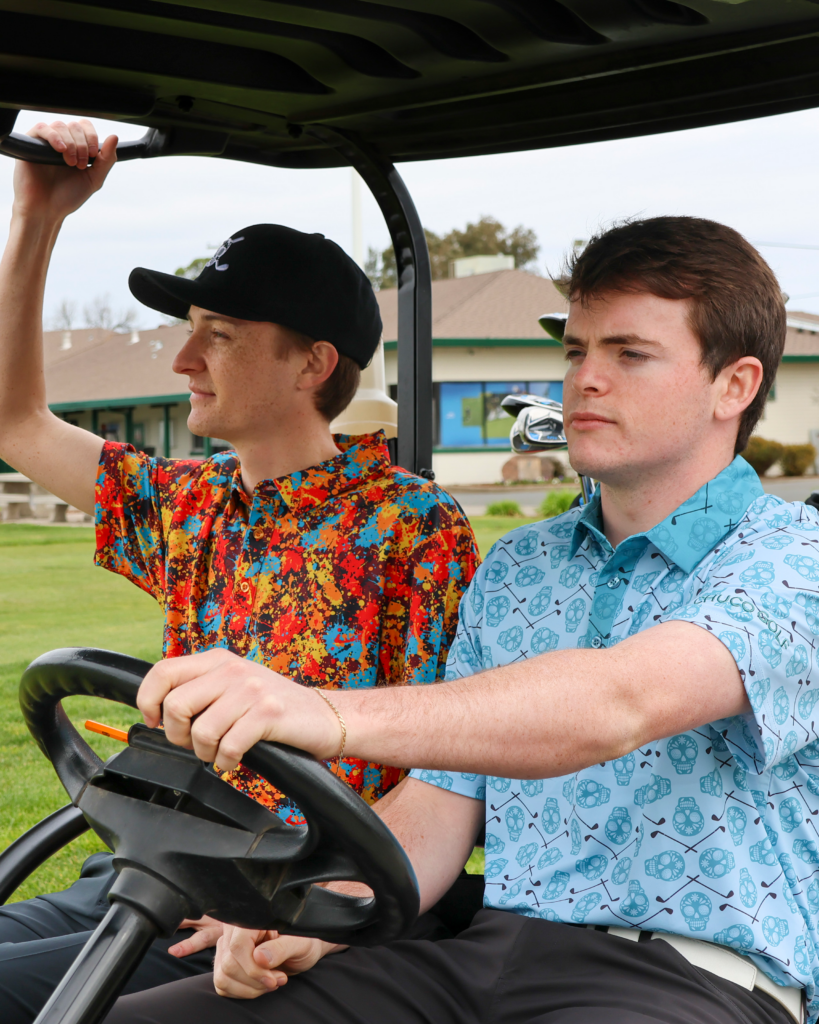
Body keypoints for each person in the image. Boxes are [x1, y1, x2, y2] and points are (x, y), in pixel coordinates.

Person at [109, 215, 817, 1024]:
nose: (585, 378)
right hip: (489, 952)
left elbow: (616, 703)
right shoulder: (520, 567)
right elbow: (441, 804)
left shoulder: (791, 561)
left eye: (629, 354)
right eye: (577, 351)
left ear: (734, 384)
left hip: (694, 976)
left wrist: (321, 711)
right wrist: (315, 911)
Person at [0, 119, 478, 1021]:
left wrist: (323, 907)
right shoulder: (190, 501)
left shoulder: (411, 526)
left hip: (283, 897)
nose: (183, 360)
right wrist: (37, 217)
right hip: (154, 859)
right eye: (191, 331)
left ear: (313, 364)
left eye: (218, 335)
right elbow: (15, 420)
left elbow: (448, 751)